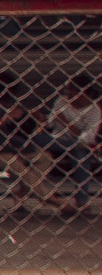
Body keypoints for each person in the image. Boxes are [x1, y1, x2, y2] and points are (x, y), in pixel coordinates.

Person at [44, 74, 99, 213]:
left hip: (78, 144)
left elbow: (87, 138)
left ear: (82, 92)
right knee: (40, 139)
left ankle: (81, 202)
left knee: (81, 158)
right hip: (57, 139)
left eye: (72, 90)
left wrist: (65, 122)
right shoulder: (62, 101)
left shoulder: (94, 110)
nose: (68, 94)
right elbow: (50, 123)